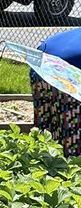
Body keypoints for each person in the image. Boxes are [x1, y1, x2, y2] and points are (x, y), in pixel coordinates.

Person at [29, 26, 81, 157]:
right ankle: (70, 165)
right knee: (73, 139)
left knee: (45, 128)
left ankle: (42, 158)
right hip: (70, 79)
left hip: (41, 70)